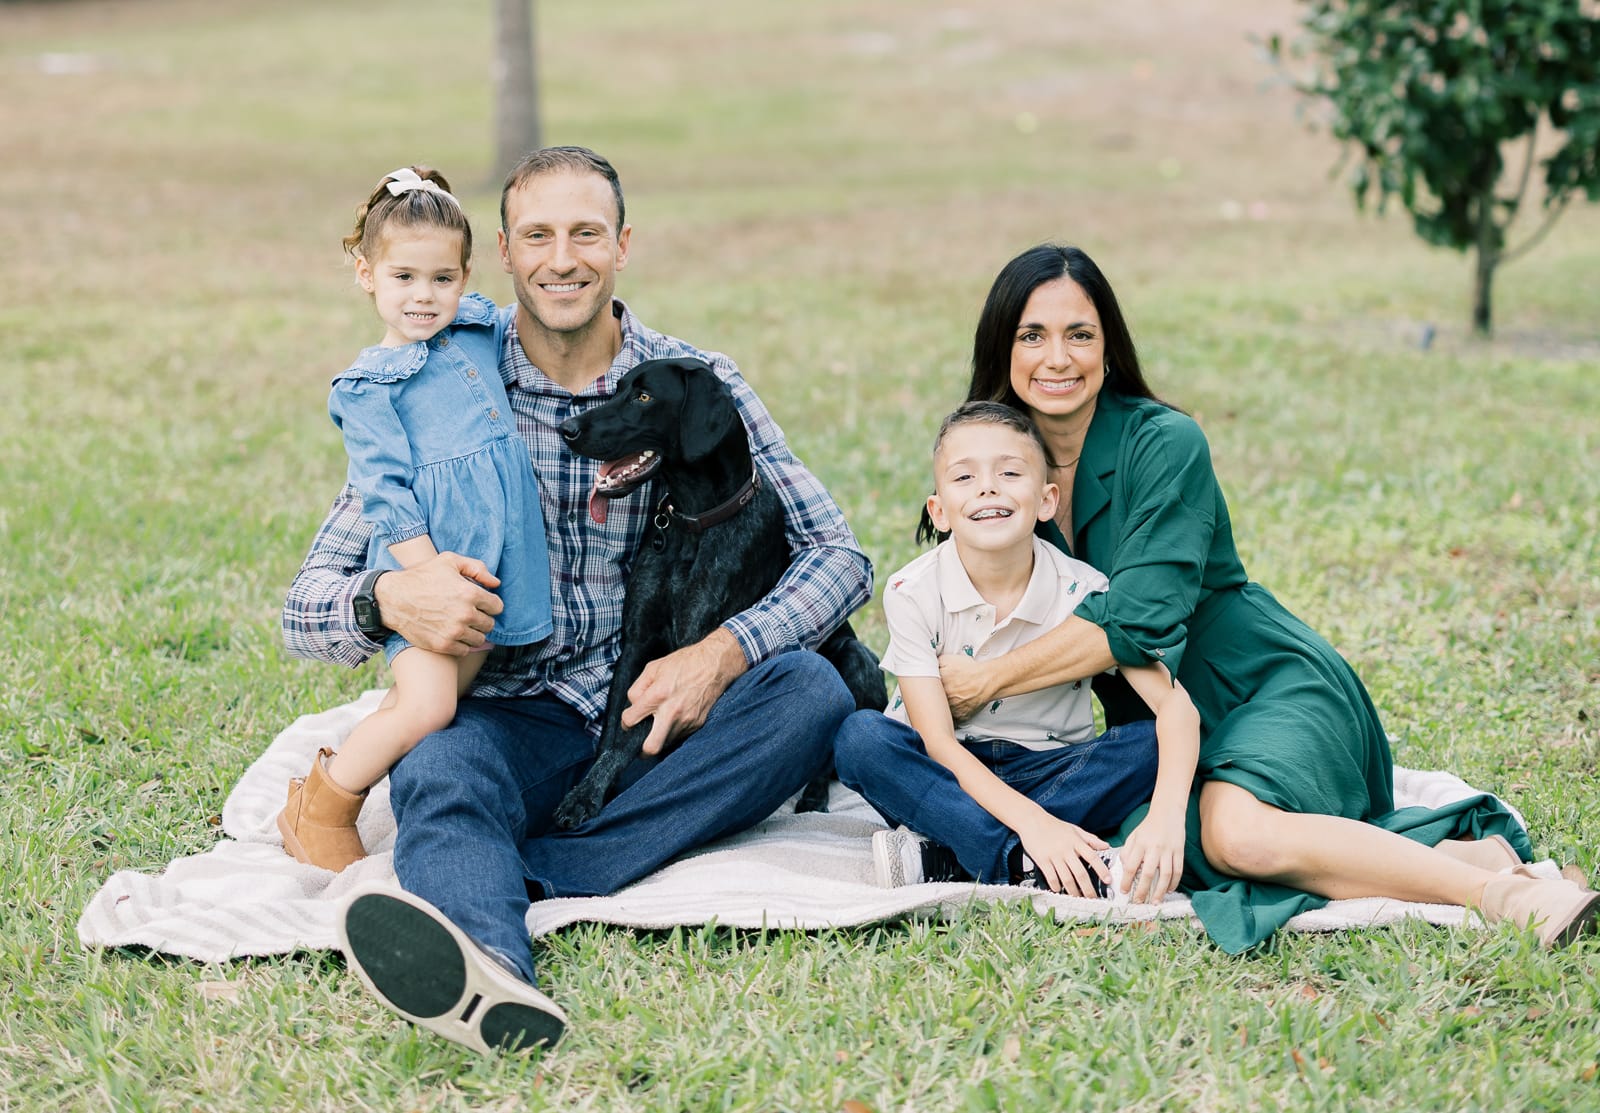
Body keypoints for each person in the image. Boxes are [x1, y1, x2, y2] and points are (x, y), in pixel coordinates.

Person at [282, 147, 872, 1051]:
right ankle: (488, 969)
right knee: (440, 766)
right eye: (538, 235)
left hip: (657, 712)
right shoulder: (435, 388)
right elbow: (304, 608)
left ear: (623, 245)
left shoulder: (693, 380)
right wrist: (390, 599)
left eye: (586, 233)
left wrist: (721, 655)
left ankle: (524, 870)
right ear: (507, 258)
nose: (563, 258)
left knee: (813, 694)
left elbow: (838, 554)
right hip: (514, 710)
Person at [931, 242, 1600, 952]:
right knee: (1133, 856)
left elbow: (1137, 619)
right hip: (1156, 731)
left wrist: (986, 680)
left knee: (1233, 833)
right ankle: (1459, 857)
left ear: (1109, 345)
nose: (1057, 357)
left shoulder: (1165, 441)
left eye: (1080, 334)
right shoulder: (990, 471)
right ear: (1001, 346)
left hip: (1263, 685)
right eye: (1032, 334)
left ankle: (1508, 894)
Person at [276, 166, 552, 873]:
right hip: (434, 564)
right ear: (367, 274)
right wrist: (428, 578)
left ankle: (336, 772)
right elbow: (386, 493)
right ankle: (324, 801)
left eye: (441, 278)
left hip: (495, 558)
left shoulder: (478, 329)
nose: (423, 297)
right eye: (404, 278)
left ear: (464, 275)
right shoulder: (369, 386)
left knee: (443, 693)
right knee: (427, 706)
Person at [834, 401, 1200, 903]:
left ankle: (948, 856)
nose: (988, 487)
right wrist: (1037, 826)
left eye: (1009, 472)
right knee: (861, 739)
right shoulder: (912, 590)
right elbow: (937, 742)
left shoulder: (1087, 591)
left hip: (1051, 770)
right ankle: (1020, 860)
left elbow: (1176, 708)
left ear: (1047, 499)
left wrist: (1165, 820)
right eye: (964, 477)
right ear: (937, 511)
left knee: (1148, 744)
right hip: (946, 777)